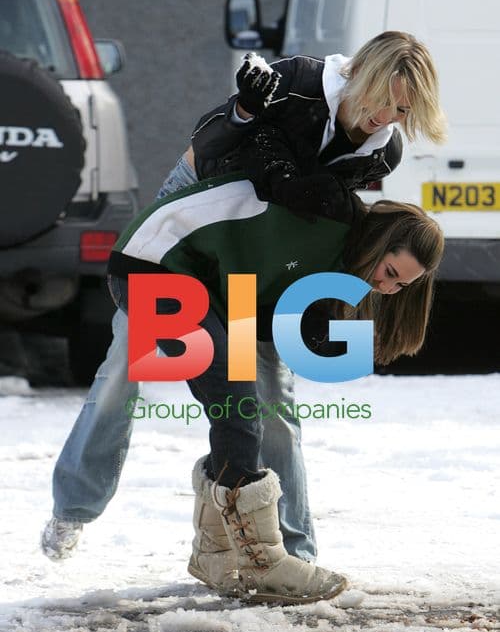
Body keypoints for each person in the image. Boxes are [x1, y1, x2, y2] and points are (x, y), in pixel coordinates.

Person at [41, 30, 447, 571]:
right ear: (361, 75)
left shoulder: (382, 153)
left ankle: (293, 549)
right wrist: (243, 112)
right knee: (126, 361)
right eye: (382, 100)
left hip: (255, 251)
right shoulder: (296, 82)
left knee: (269, 393)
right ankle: (73, 506)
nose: (385, 118)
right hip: (195, 219)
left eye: (401, 111)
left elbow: (312, 221)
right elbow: (211, 148)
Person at [103, 161, 444, 604]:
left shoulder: (336, 251)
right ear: (381, 241)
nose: (385, 287)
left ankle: (213, 552)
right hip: (150, 269)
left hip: (209, 284)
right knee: (239, 408)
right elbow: (250, 282)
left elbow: (259, 299)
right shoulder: (326, 224)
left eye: (400, 287)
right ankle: (263, 561)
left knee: (243, 408)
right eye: (391, 272)